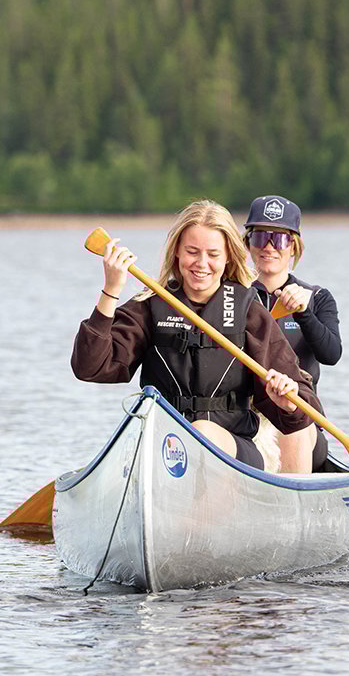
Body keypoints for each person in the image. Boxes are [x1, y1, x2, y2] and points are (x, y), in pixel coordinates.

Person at [70, 198, 320, 472]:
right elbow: (90, 368)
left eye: (213, 254)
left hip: (234, 447)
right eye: (192, 251)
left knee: (203, 431)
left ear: (228, 257)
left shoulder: (249, 310)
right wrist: (111, 290)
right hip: (164, 447)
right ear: (177, 251)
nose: (202, 264)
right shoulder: (150, 306)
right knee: (169, 443)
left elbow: (299, 411)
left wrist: (286, 401)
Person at [244, 194, 341, 472]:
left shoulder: (317, 298)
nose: (270, 247)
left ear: (294, 246)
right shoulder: (233, 297)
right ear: (248, 244)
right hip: (247, 421)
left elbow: (331, 355)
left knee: (291, 426)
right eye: (261, 237)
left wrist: (303, 314)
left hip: (300, 418)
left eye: (281, 239)